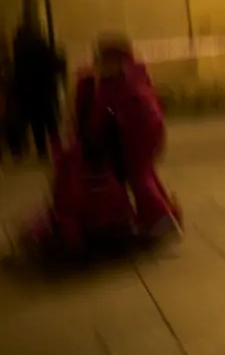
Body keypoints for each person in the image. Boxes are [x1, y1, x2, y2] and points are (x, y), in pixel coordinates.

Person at [24, 35, 181, 258]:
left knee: (140, 178)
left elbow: (124, 112)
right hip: (131, 138)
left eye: (103, 60)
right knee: (143, 177)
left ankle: (159, 219)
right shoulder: (120, 80)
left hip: (136, 139)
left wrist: (107, 127)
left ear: (118, 61)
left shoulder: (127, 84)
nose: (99, 64)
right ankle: (157, 217)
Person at [6, 23, 65, 159]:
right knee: (50, 122)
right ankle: (56, 149)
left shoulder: (19, 52)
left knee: (37, 124)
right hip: (44, 91)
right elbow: (54, 64)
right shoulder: (41, 46)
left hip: (29, 94)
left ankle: (42, 151)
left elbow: (18, 76)